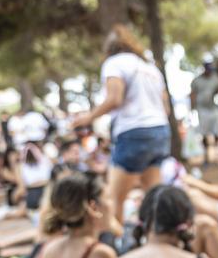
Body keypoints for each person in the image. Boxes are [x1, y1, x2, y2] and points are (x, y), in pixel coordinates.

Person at [73, 25, 172, 233]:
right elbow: (166, 108)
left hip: (133, 132)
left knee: (112, 200)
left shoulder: (114, 64)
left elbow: (114, 99)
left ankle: (115, 252)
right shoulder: (150, 68)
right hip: (160, 131)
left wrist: (88, 117)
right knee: (155, 196)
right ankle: (164, 240)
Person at [191, 59, 218, 160]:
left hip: (213, 107)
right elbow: (192, 94)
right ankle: (206, 156)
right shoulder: (197, 80)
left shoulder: (216, 79)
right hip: (202, 109)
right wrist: (192, 108)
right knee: (204, 133)